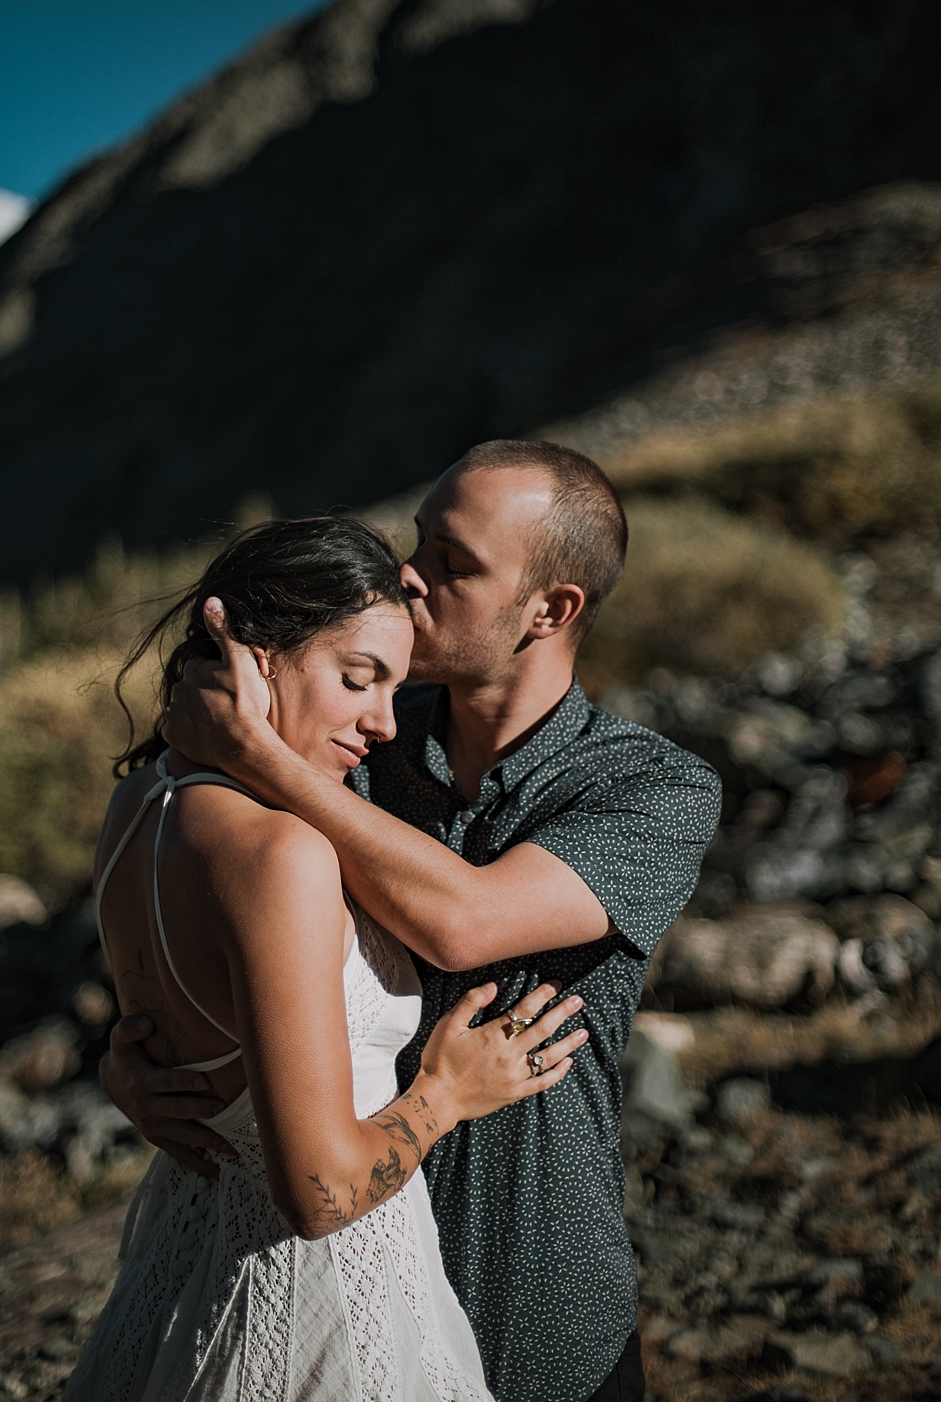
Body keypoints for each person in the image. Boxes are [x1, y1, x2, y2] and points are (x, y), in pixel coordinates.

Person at [103, 440, 722, 1402]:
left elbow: (463, 923)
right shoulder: (357, 734)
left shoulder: (650, 788)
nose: (409, 575)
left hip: (529, 1283)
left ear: (551, 610)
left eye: (454, 561)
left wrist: (264, 759)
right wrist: (151, 1060)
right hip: (333, 1266)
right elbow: (208, 907)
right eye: (419, 541)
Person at [67, 516, 589, 1402]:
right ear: (255, 654)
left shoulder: (135, 807)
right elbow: (317, 1195)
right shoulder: (280, 856)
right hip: (323, 1310)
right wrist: (445, 1093)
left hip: (176, 1269)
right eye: (357, 679)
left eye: (393, 687)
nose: (383, 722)